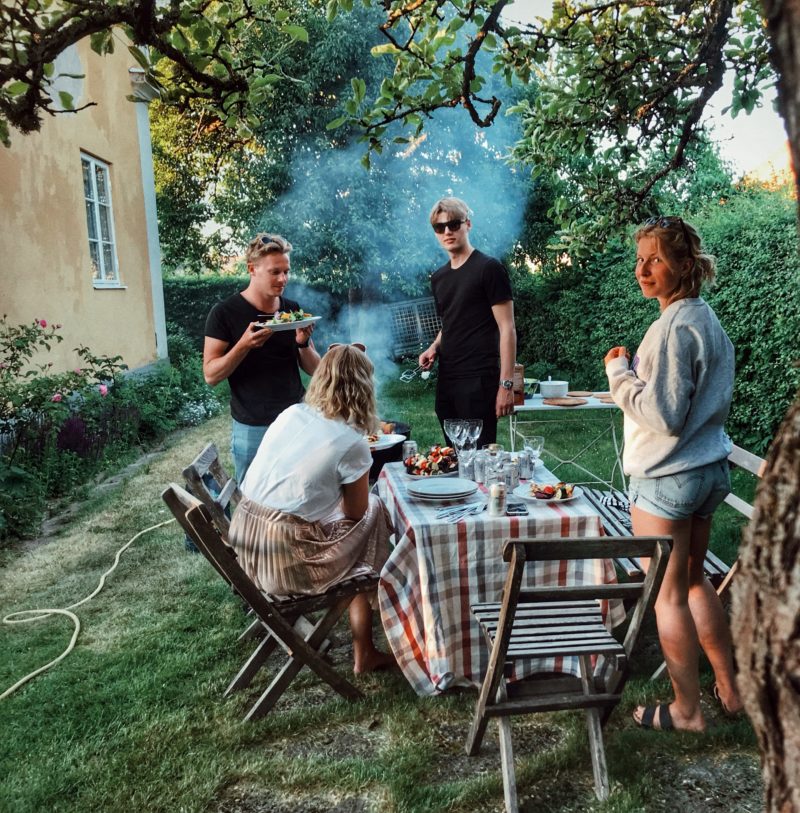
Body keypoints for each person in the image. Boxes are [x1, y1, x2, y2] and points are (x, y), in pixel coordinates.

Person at [604, 216, 743, 732]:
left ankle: (686, 711)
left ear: (685, 265)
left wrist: (619, 375)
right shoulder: (707, 321)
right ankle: (730, 690)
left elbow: (662, 415)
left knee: (667, 595)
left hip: (667, 479)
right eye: (640, 259)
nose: (642, 269)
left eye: (656, 259)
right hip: (708, 472)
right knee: (694, 582)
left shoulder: (669, 329)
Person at [227, 344, 395, 674]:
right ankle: (374, 629)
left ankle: (367, 642)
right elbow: (356, 514)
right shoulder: (352, 441)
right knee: (375, 512)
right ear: (364, 387)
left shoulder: (291, 413)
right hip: (283, 562)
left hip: (244, 546)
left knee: (359, 528)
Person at [203, 233, 320, 484]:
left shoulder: (291, 309)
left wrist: (302, 343)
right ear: (252, 269)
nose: (283, 279)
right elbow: (211, 374)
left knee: (298, 492)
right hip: (252, 426)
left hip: (295, 419)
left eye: (286, 271)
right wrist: (243, 346)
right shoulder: (224, 313)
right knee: (251, 499)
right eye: (275, 272)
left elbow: (315, 369)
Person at [418, 197, 516, 449]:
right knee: (452, 458)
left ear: (467, 224)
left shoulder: (489, 269)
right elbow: (451, 321)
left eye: (453, 224)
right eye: (440, 228)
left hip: (479, 379)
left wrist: (506, 385)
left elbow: (507, 328)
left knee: (480, 458)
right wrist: (433, 347)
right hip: (448, 378)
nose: (447, 231)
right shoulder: (439, 277)